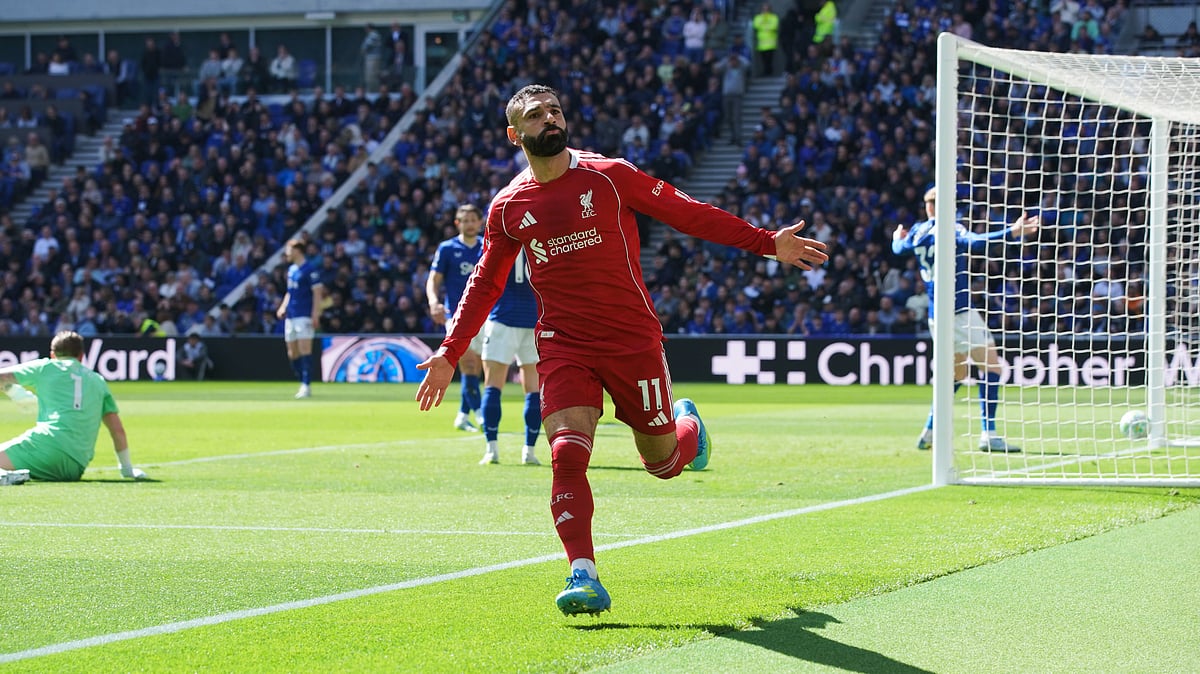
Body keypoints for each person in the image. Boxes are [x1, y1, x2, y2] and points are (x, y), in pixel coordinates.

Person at [415, 84, 828, 616]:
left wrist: (766, 241)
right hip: (563, 343)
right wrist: (451, 350)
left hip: (632, 341)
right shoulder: (508, 207)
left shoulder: (609, 177)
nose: (550, 120)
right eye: (537, 116)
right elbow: (485, 282)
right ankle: (582, 574)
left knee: (662, 465)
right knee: (565, 452)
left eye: (556, 111)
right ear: (515, 135)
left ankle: (689, 431)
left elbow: (688, 213)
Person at [891, 187, 1039, 453]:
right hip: (960, 312)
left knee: (956, 375)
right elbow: (977, 242)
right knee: (992, 368)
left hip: (937, 316)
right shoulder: (951, 229)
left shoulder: (917, 232)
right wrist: (1013, 232)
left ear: (928, 207)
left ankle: (929, 431)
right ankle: (988, 433)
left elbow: (898, 248)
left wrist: (894, 238)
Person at [0, 331, 147, 484]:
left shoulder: (46, 367)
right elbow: (118, 431)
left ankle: (4, 477)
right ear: (81, 356)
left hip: (46, 446)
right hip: (75, 467)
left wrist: (17, 394)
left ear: (52, 355)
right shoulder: (98, 380)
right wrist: (127, 469)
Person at [478, 248, 541, 466]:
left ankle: (491, 449)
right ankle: (529, 451)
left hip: (502, 318)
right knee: (533, 387)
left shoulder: (499, 237)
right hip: (534, 318)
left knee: (493, 385)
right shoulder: (538, 233)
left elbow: (485, 276)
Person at [426, 204, 485, 432]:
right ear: (457, 223)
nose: (470, 224)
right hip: (457, 315)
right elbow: (433, 280)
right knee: (468, 362)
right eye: (465, 220)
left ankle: (462, 415)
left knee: (476, 367)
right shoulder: (447, 248)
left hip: (486, 315)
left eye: (473, 219)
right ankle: (481, 416)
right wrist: (433, 302)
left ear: (480, 222)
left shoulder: (487, 245)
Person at [275, 239, 325, 399]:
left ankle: (306, 385)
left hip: (304, 314)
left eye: (289, 250)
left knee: (305, 350)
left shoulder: (310, 270)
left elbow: (317, 294)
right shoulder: (291, 270)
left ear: (298, 250)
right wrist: (283, 306)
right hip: (291, 315)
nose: (287, 253)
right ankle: (303, 379)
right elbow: (289, 292)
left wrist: (315, 314)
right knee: (292, 353)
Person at [752, 2, 780, 76]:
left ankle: (769, 72)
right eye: (764, 9)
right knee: (763, 60)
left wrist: (763, 26)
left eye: (767, 9)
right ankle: (766, 72)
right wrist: (767, 26)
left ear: (770, 9)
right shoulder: (758, 17)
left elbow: (774, 26)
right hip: (761, 43)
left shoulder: (774, 17)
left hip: (771, 43)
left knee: (769, 59)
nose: (765, 10)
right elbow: (756, 26)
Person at [360, 23, 384, 92]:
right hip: (371, 58)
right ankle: (371, 90)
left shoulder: (374, 35)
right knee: (371, 76)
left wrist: (363, 50)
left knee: (371, 77)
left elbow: (366, 46)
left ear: (369, 28)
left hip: (373, 58)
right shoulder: (372, 35)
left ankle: (372, 91)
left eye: (366, 28)